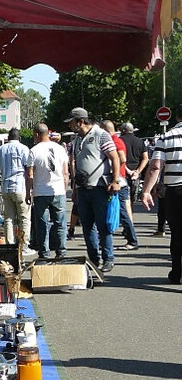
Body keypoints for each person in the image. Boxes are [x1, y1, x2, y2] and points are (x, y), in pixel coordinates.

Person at [66, 108, 120, 273]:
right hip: (83, 189)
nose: (70, 125)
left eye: (72, 122)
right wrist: (75, 189)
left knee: (103, 226)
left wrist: (116, 180)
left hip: (100, 188)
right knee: (87, 226)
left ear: (80, 121)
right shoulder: (76, 140)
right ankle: (94, 260)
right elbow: (76, 165)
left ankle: (108, 258)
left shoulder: (100, 134)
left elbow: (115, 157)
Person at [141, 104, 182, 284]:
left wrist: (146, 191)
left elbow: (156, 166)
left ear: (177, 117)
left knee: (177, 233)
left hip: (176, 191)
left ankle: (177, 273)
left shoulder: (166, 137)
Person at [0, 128, 34, 256]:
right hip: (20, 187)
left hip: (5, 187)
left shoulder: (0, 149)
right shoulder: (24, 149)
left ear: (7, 138)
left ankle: (9, 245)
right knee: (24, 218)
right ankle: (24, 245)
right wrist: (30, 188)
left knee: (8, 219)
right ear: (19, 138)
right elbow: (29, 170)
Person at [27, 122, 69, 260]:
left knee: (42, 224)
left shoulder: (33, 151)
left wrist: (28, 192)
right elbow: (65, 173)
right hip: (58, 191)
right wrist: (64, 188)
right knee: (60, 224)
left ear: (37, 134)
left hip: (41, 192)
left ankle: (44, 254)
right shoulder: (60, 149)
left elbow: (30, 174)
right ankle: (61, 252)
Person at [101, 120, 139, 251]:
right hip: (119, 180)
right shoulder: (116, 140)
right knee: (118, 210)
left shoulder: (115, 142)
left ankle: (132, 240)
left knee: (122, 211)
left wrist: (115, 174)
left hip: (119, 182)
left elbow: (122, 159)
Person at [119, 122, 148, 206]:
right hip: (136, 174)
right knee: (132, 200)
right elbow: (145, 158)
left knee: (123, 200)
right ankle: (130, 216)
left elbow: (119, 159)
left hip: (123, 173)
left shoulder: (119, 140)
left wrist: (127, 170)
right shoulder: (140, 141)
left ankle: (125, 218)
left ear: (123, 130)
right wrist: (137, 172)